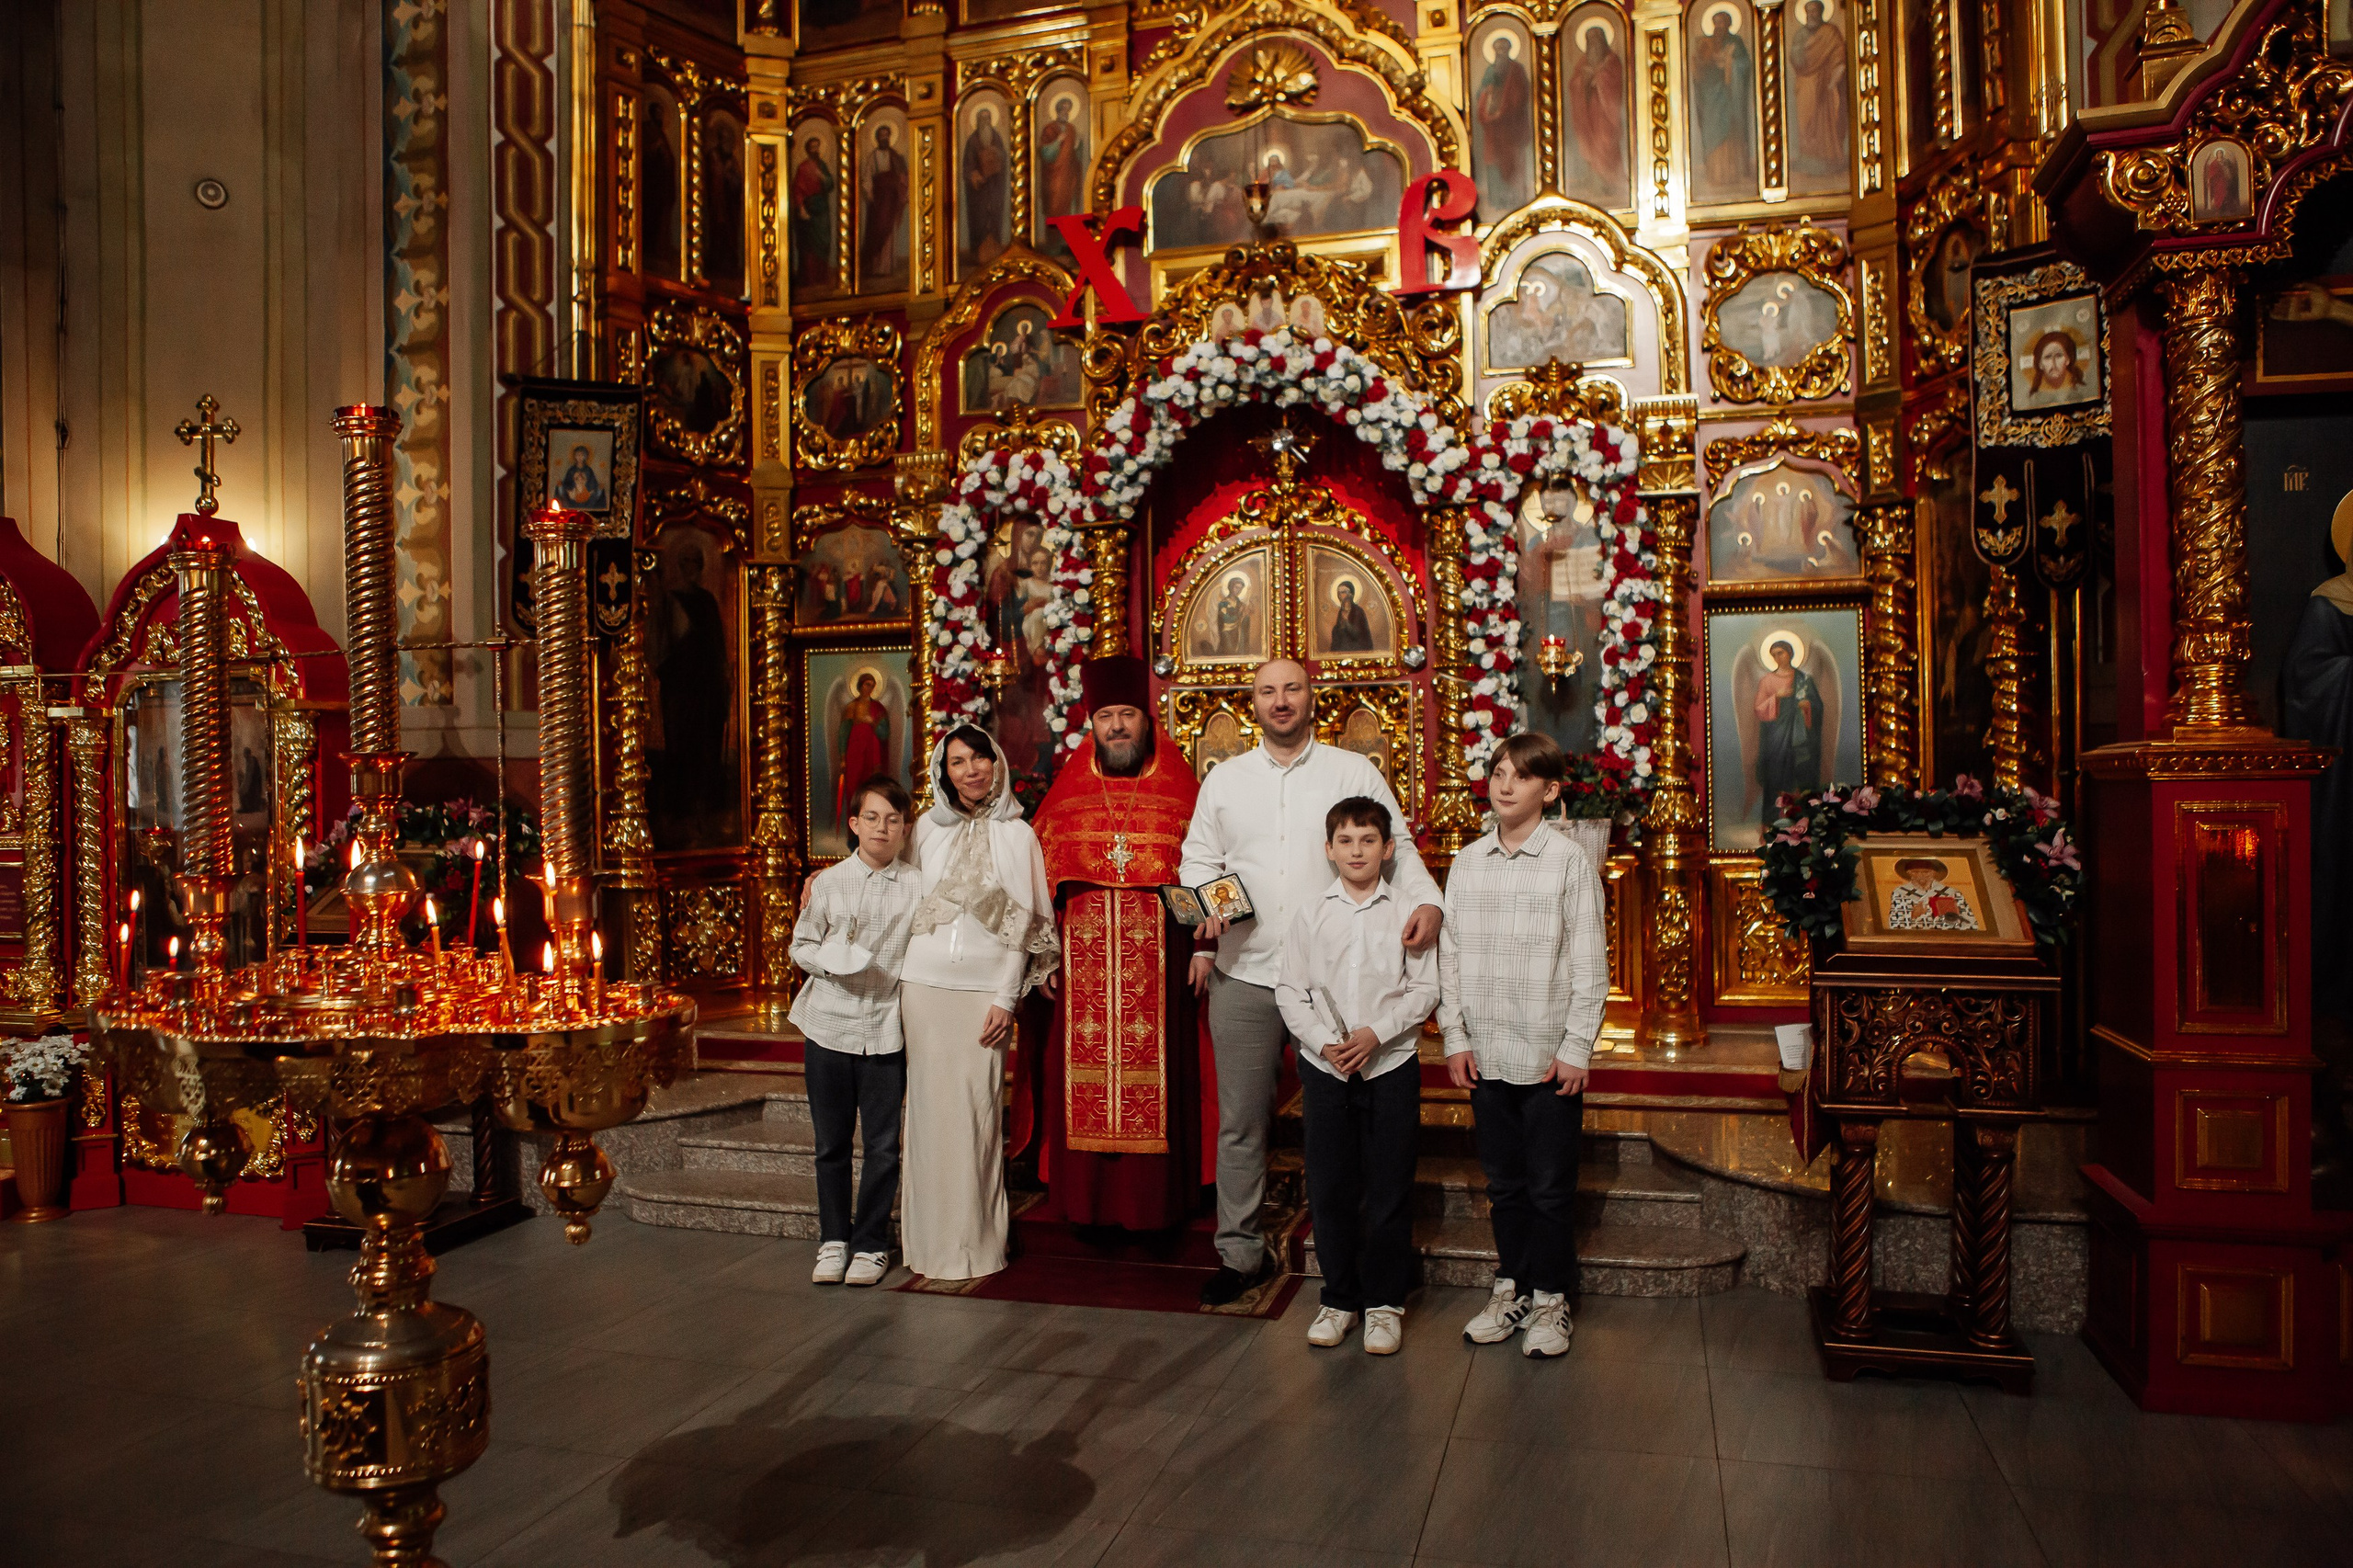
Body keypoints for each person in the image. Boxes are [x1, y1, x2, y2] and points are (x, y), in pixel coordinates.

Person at [1178, 658, 1443, 1306]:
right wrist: (1207, 911)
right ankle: (1239, 1254)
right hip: (1246, 970)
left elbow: (1399, 847)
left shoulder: (1352, 772)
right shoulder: (1225, 780)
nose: (1281, 700)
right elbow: (1197, 859)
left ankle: (1361, 1262)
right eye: (1268, 691)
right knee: (1241, 1121)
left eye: (1291, 688)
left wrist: (1430, 904)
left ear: (1310, 697)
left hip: (1336, 985)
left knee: (1348, 1127)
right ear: (1253, 704)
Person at [1440, 732, 1610, 1359]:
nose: (1504, 784)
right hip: (1486, 1051)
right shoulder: (1467, 862)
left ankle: (1550, 1300)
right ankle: (1509, 1286)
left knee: (1548, 1188)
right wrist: (1454, 1036)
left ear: (1550, 790)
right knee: (1504, 1184)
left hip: (1545, 1057)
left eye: (1519, 775)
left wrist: (1575, 1048)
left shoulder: (1567, 863)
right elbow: (1450, 956)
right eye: (1497, 772)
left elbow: (1590, 966)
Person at [1030, 656, 1207, 1234]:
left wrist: (1202, 947)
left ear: (1146, 717)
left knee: (1162, 1082)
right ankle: (1086, 1207)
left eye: (1127, 714)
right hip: (1081, 967)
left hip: (1161, 964)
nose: (1117, 726)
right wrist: (1045, 954)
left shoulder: (1182, 787)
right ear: (1092, 723)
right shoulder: (1068, 792)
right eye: (1105, 716)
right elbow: (1043, 885)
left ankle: (1155, 1206)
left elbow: (1202, 871)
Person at [1276, 796, 1439, 1355]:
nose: (1357, 850)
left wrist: (1375, 1034)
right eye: (1345, 841)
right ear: (1329, 850)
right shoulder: (1310, 914)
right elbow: (1289, 990)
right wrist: (1324, 1043)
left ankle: (1385, 1303)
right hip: (1325, 1068)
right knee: (1330, 1185)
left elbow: (1424, 989)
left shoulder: (1405, 913)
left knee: (1389, 1185)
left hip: (1389, 1064)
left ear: (1388, 849)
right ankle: (1340, 1297)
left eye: (1368, 840)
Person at [902, 725, 1058, 1280]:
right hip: (920, 987)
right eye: (957, 761)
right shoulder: (924, 830)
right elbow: (889, 886)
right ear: (944, 771)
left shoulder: (1019, 837)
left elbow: (1025, 930)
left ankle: (977, 1246)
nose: (969, 770)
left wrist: (1005, 998)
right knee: (927, 1116)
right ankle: (926, 1246)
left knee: (976, 1115)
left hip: (980, 996)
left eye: (979, 759)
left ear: (996, 764)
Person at [789, 777, 921, 1288]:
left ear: (905, 829)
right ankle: (833, 1240)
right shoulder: (827, 883)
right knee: (831, 1143)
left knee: (884, 1145)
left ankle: (869, 1243)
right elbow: (801, 946)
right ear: (853, 824)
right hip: (826, 1023)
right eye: (872, 818)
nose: (882, 828)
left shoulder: (917, 886)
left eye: (893, 819)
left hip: (886, 1025)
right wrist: (828, 964)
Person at [1752, 634, 1822, 828]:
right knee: (1775, 775)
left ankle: (1801, 823)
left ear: (1790, 653)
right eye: (1773, 654)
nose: (1777, 657)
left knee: (1800, 774)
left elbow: (1817, 707)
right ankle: (1771, 823)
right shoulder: (1767, 680)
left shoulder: (1804, 680)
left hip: (1799, 739)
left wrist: (1808, 706)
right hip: (1776, 738)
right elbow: (1758, 708)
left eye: (1780, 653)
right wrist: (1776, 697)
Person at [1886, 857, 1980, 931]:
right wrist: (1912, 915)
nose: (1920, 875)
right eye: (1916, 872)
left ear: (1934, 873)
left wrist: (1951, 920)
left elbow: (1971, 924)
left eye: (1925, 872)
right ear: (1909, 873)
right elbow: (1894, 925)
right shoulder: (1901, 893)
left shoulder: (1950, 893)